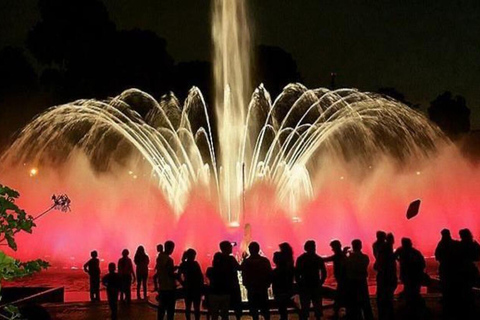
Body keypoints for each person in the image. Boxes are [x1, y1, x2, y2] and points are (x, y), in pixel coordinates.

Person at [295, 240, 327, 320]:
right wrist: (321, 282)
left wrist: (299, 283)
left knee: (305, 306)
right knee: (317, 305)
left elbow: (297, 273)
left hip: (305, 284)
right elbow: (324, 272)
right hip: (316, 284)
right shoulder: (318, 259)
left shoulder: (301, 259)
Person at [394, 238, 425, 318]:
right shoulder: (415, 252)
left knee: (409, 290)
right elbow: (422, 263)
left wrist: (399, 260)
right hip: (413, 275)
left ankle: (409, 307)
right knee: (414, 291)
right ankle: (414, 308)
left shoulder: (401, 250)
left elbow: (393, 257)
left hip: (406, 274)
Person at [242, 242, 273, 320]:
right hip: (262, 288)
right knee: (265, 308)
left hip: (251, 288)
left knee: (254, 309)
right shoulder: (265, 261)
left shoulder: (247, 262)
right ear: (258, 249)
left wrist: (246, 284)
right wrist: (267, 284)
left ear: (250, 250)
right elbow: (269, 273)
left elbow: (243, 273)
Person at [345, 239, 373, 320]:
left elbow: (347, 267)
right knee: (365, 302)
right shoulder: (365, 257)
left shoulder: (349, 258)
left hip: (352, 282)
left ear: (353, 246)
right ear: (360, 246)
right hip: (362, 281)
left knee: (354, 303)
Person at [434, 229, 459, 317]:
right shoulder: (455, 244)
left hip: (445, 267)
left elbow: (437, 255)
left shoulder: (441, 244)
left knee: (445, 284)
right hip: (453, 268)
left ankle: (447, 299)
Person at [457, 228, 480, 318]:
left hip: (463, 269)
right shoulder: (474, 244)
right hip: (470, 268)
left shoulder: (460, 245)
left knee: (464, 288)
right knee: (469, 288)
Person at [218, 240, 243, 320]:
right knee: (236, 305)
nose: (231, 248)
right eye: (230, 246)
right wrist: (244, 259)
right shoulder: (231, 259)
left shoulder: (218, 259)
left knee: (225, 308)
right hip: (233, 286)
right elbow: (239, 268)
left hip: (223, 286)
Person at [375, 233, 397, 320]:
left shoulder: (379, 247)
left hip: (383, 274)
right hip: (389, 274)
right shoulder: (386, 248)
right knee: (388, 294)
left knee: (382, 294)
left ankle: (383, 312)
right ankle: (388, 312)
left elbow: (377, 264)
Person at [324, 240, 348, 319]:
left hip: (342, 280)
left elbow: (326, 259)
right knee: (342, 296)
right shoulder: (342, 255)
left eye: (333, 247)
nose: (332, 249)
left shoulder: (338, 256)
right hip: (343, 280)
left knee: (339, 296)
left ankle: (337, 313)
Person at [179, 248, 204, 320]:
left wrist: (183, 283)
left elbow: (178, 275)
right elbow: (200, 276)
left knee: (188, 307)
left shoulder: (183, 264)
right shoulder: (195, 264)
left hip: (188, 287)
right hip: (196, 288)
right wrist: (202, 285)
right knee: (196, 308)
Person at [206, 252, 231, 320]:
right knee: (225, 315)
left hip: (213, 293)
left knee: (214, 315)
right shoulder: (226, 270)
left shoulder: (210, 270)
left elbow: (208, 278)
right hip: (225, 293)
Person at [157, 240, 177, 320]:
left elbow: (162, 270)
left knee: (161, 309)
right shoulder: (169, 260)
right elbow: (170, 273)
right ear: (170, 248)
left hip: (162, 287)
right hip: (169, 287)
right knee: (170, 311)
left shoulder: (159, 257)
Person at [272, 251, 294, 320]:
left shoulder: (275, 271)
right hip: (286, 292)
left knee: (282, 309)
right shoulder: (288, 270)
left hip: (279, 293)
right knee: (283, 309)